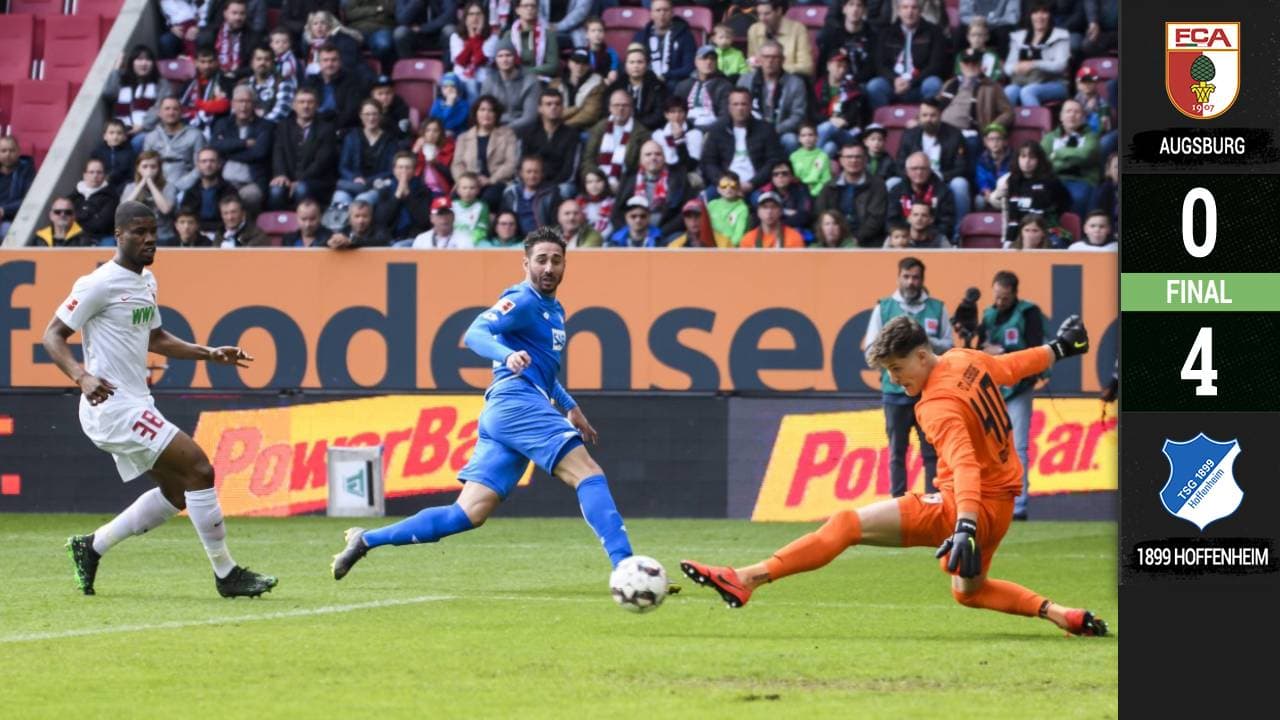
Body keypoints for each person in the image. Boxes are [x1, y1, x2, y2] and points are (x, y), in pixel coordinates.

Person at [680, 314, 1108, 639]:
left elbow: (964, 465)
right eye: (887, 370)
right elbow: (1012, 366)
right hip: (997, 506)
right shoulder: (964, 359)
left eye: (897, 368)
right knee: (969, 592)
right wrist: (1060, 348)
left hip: (966, 506)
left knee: (846, 524)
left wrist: (964, 525)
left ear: (921, 355)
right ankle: (1062, 614)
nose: (893, 378)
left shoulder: (936, 405)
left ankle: (746, 578)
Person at [331, 227, 638, 581]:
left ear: (565, 265)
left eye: (556, 260)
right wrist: (506, 356)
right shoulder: (522, 300)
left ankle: (365, 540)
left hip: (507, 410)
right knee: (588, 473)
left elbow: (544, 369)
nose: (549, 267)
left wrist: (570, 406)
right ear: (525, 263)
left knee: (467, 513)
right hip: (517, 402)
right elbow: (476, 333)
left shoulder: (554, 310)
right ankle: (627, 567)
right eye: (541, 260)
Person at [49, 202, 277, 598]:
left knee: (178, 492)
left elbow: (155, 338)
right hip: (111, 406)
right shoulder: (98, 284)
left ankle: (91, 546)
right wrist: (81, 376)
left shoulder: (146, 281)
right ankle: (227, 575)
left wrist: (209, 353)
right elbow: (52, 335)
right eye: (139, 232)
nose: (150, 239)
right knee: (200, 469)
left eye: (153, 231)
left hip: (136, 401)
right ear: (118, 236)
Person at [863, 257, 950, 498]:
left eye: (916, 277)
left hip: (929, 392)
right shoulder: (884, 308)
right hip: (895, 394)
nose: (911, 282)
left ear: (922, 279)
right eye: (907, 277)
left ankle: (935, 502)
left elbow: (949, 346)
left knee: (932, 451)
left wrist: (922, 341)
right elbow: (870, 350)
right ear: (899, 278)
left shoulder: (937, 308)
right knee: (897, 453)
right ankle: (898, 504)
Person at [978, 271, 1046, 521]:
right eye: (996, 296)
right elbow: (977, 346)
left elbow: (1035, 348)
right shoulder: (988, 314)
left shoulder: (1029, 313)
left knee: (1018, 446)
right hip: (992, 389)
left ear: (1014, 294)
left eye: (1004, 298)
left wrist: (1003, 351)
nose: (999, 302)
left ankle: (1019, 505)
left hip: (1019, 386)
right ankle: (992, 500)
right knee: (990, 447)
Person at [814, 142, 888, 248]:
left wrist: (857, 238)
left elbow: (876, 218)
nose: (853, 160)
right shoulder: (829, 187)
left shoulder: (877, 185)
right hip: (834, 242)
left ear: (865, 160)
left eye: (858, 157)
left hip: (867, 242)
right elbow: (820, 215)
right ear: (841, 161)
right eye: (849, 157)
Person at [1003, 1, 1070, 107]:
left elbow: (1061, 65)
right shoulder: (1018, 37)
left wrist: (1034, 64)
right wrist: (1016, 67)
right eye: (1035, 12)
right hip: (1023, 81)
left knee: (1028, 91)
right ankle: (1005, 118)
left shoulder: (1060, 35)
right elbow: (1007, 67)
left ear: (1050, 16)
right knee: (1009, 91)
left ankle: (1035, 118)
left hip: (1055, 83)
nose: (1039, 16)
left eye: (1044, 12)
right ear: (1030, 16)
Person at [632, 0, 696, 88]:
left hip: (675, 83)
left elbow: (689, 67)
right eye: (658, 10)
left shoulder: (685, 35)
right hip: (647, 82)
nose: (662, 13)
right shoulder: (641, 36)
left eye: (666, 10)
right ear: (651, 14)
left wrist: (665, 76)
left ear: (672, 13)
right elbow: (633, 62)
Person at [121, 151, 179, 245]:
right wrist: (141, 185)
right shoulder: (130, 187)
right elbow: (124, 210)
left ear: (159, 169)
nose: (149, 171)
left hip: (162, 235)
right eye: (145, 167)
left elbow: (165, 209)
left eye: (153, 167)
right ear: (138, 168)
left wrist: (150, 183)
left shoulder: (169, 187)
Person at [748, 1, 814, 77]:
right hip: (761, 78)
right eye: (759, 14)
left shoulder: (797, 29)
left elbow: (806, 67)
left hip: (790, 78)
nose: (762, 18)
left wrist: (775, 69)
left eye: (767, 14)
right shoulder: (754, 30)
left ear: (779, 11)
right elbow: (751, 62)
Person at [71, 159, 120, 245]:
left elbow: (101, 224)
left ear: (104, 175)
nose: (95, 176)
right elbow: (67, 220)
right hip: (74, 238)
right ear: (85, 175)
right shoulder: (74, 196)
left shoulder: (112, 197)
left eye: (99, 172)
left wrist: (80, 216)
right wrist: (91, 215)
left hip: (100, 239)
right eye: (91, 172)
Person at [739, 191, 805, 248]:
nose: (769, 211)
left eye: (774, 207)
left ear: (781, 211)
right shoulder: (748, 239)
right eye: (765, 207)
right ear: (758, 212)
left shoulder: (794, 237)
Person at [0, 136, 36, 238]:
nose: (8, 154)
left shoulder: (27, 172)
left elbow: (29, 200)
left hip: (12, 219)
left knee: (6, 232)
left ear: (18, 152)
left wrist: (4, 210)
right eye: (3, 151)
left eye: (11, 150)